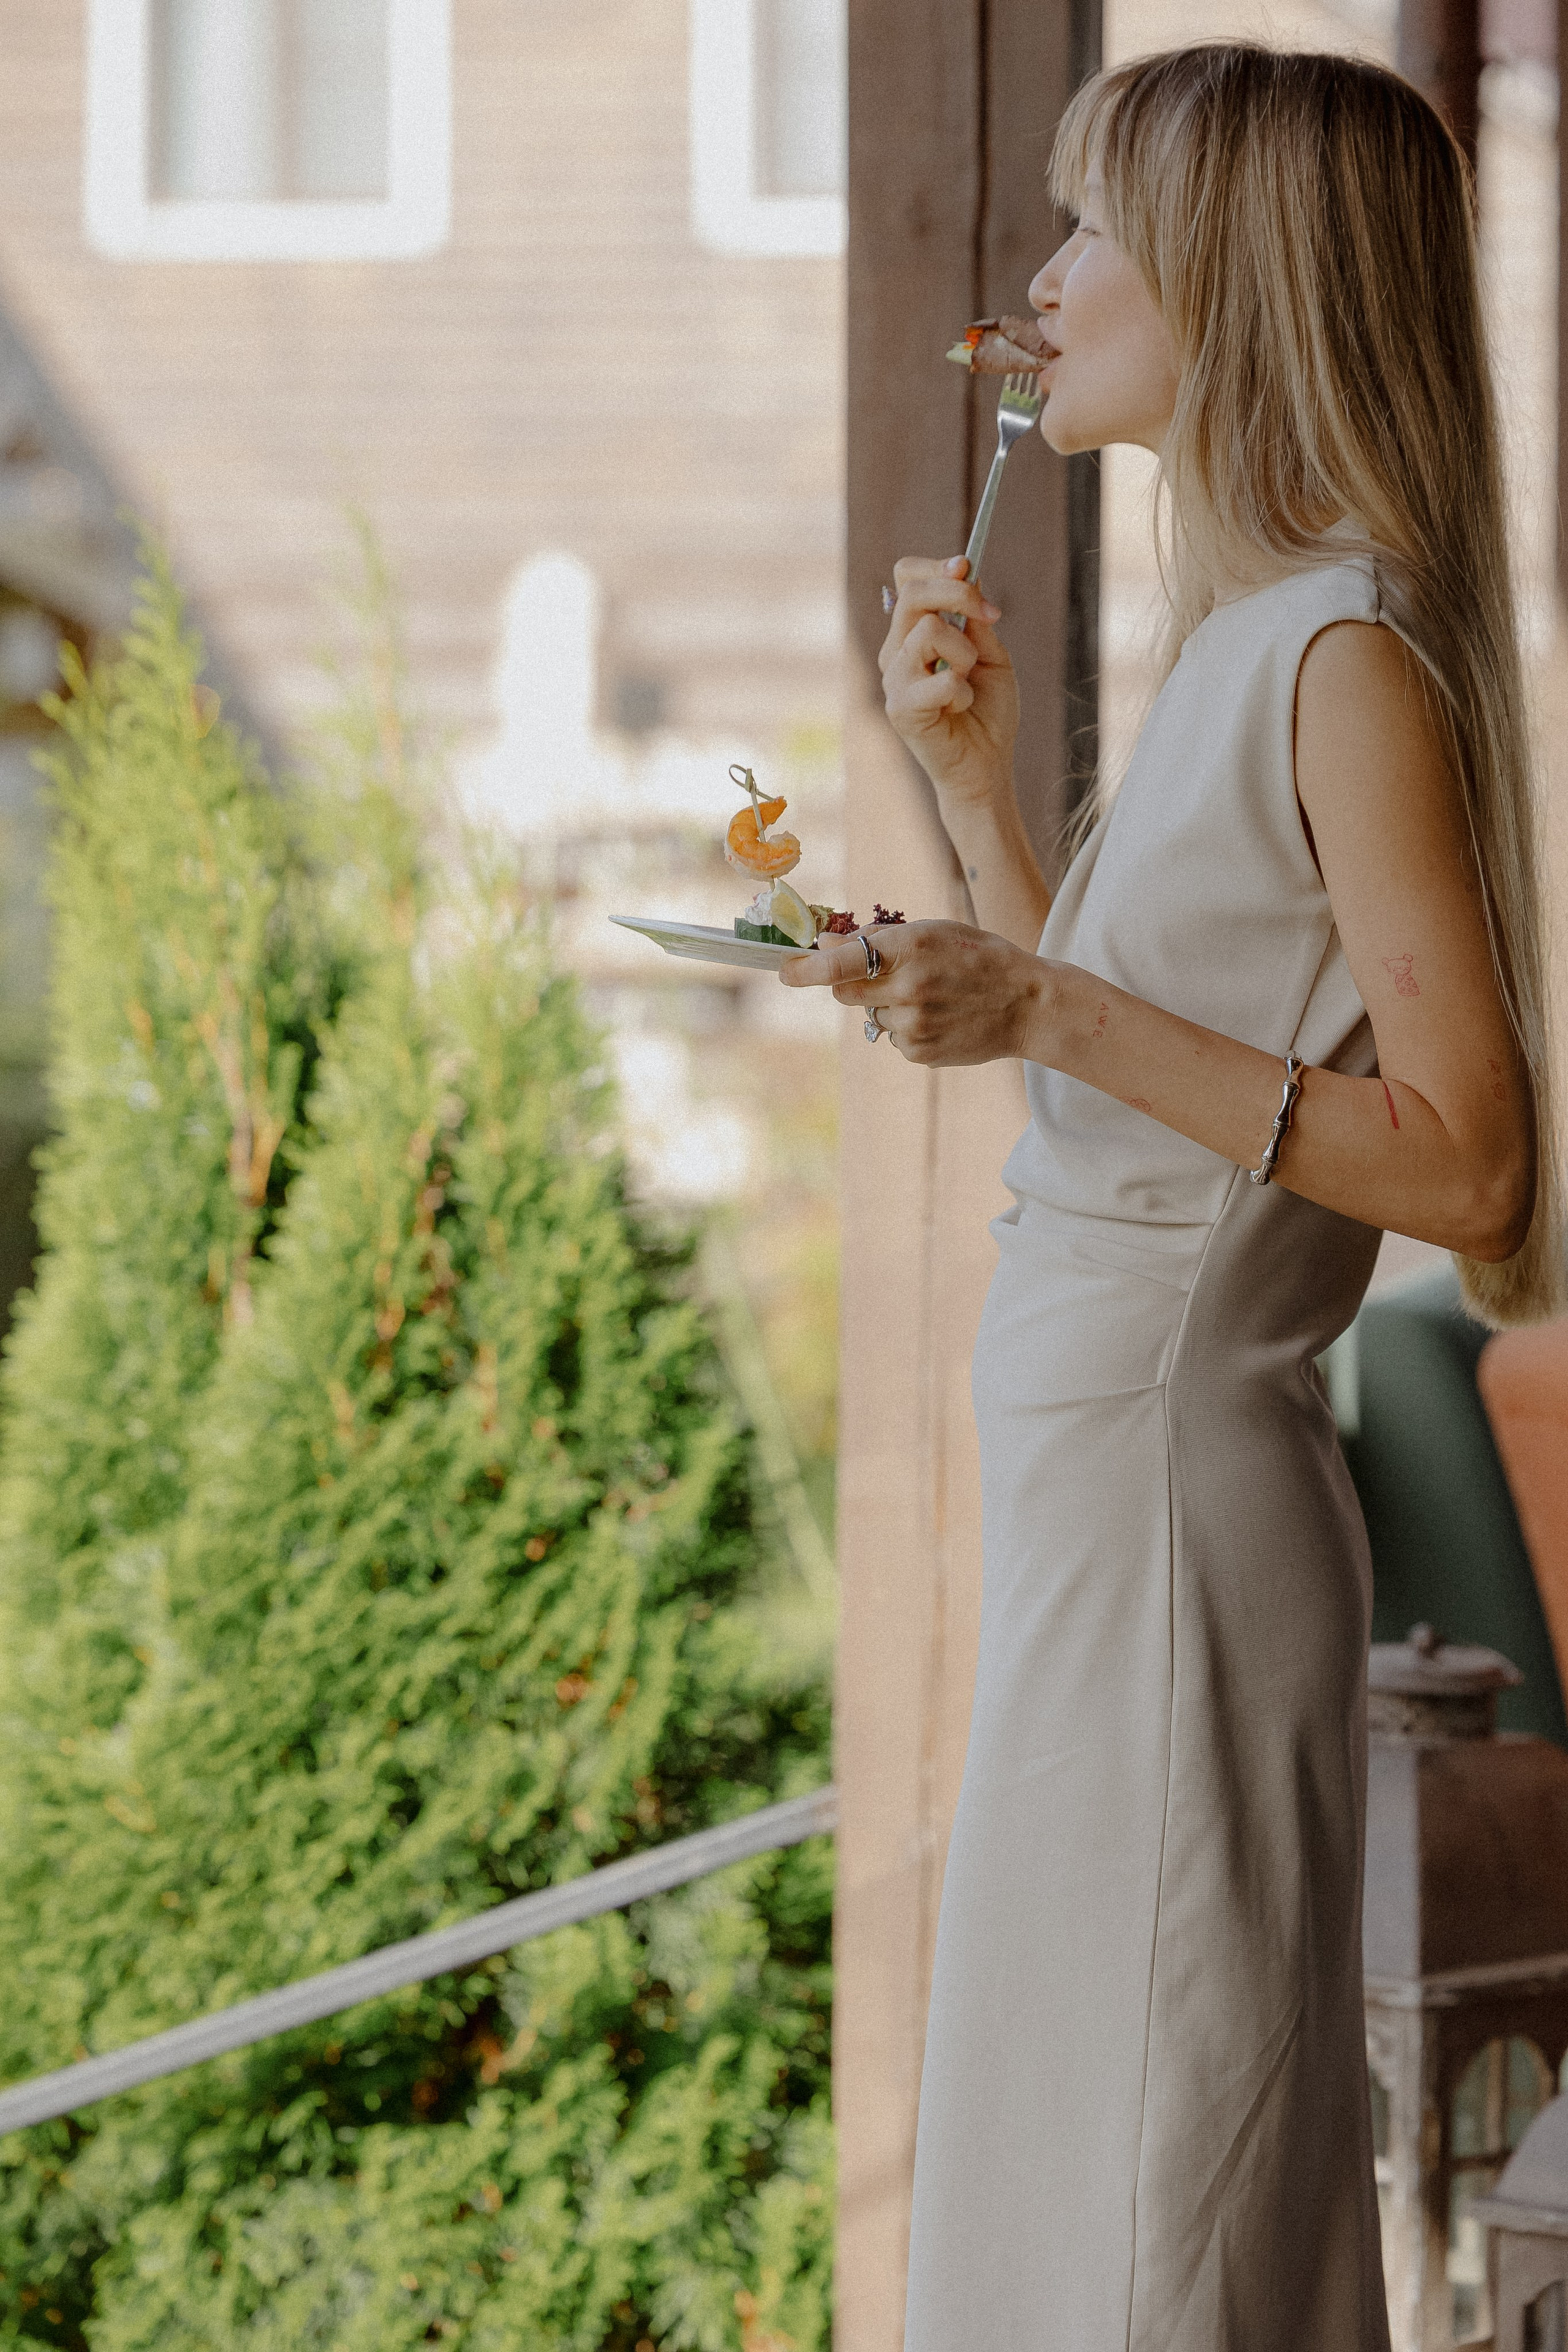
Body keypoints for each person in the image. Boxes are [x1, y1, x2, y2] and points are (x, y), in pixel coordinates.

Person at [782, 42, 1564, 2351]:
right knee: (1093, 2158)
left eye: (1093, 229)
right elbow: (1126, 1111)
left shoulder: (1342, 654)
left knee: (1150, 2191)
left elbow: (1476, 1155)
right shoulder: (1248, 644)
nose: (1042, 277)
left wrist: (1042, 1000)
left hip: (1170, 1512)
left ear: (1236, 283)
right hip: (1101, 1499)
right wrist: (970, 804)